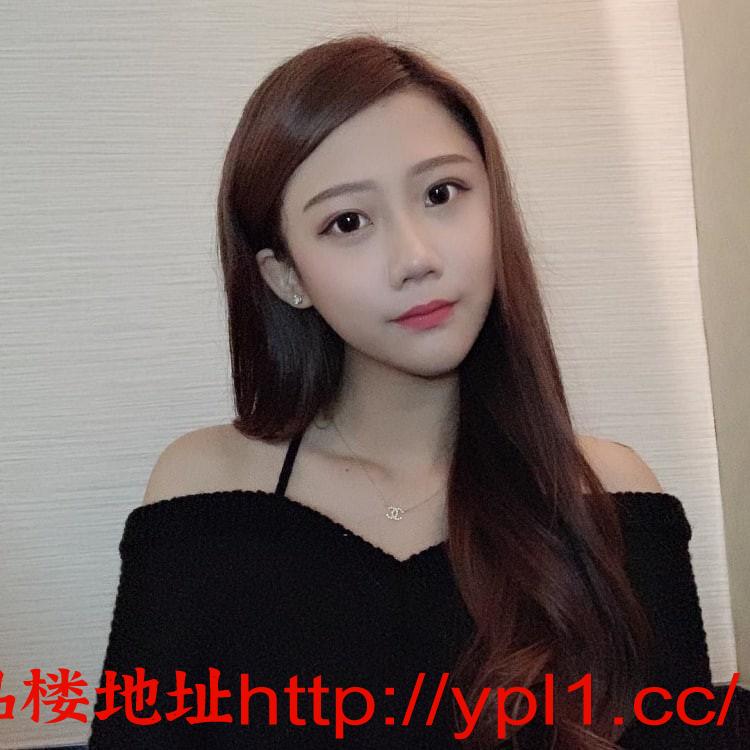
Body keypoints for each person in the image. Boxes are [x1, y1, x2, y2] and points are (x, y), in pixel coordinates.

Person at [86, 33, 739, 749]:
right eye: (347, 222)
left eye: (440, 194)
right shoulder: (204, 495)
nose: (416, 258)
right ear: (287, 276)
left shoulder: (609, 499)